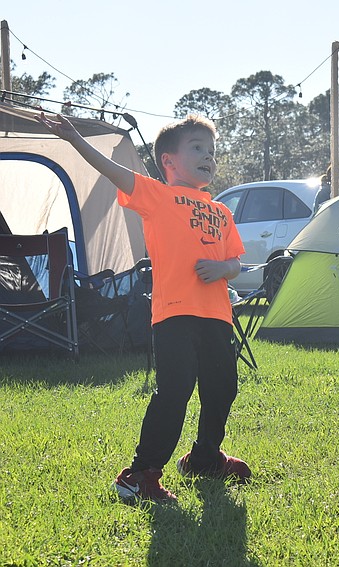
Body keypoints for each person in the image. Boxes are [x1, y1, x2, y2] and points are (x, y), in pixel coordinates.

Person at [38, 112, 249, 503]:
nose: (209, 157)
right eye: (198, 148)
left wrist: (223, 267)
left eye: (212, 151)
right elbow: (114, 170)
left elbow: (236, 262)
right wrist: (74, 140)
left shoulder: (221, 211)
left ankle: (204, 458)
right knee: (176, 390)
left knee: (222, 388)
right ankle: (140, 474)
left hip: (217, 315)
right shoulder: (157, 195)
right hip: (173, 314)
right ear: (168, 160)